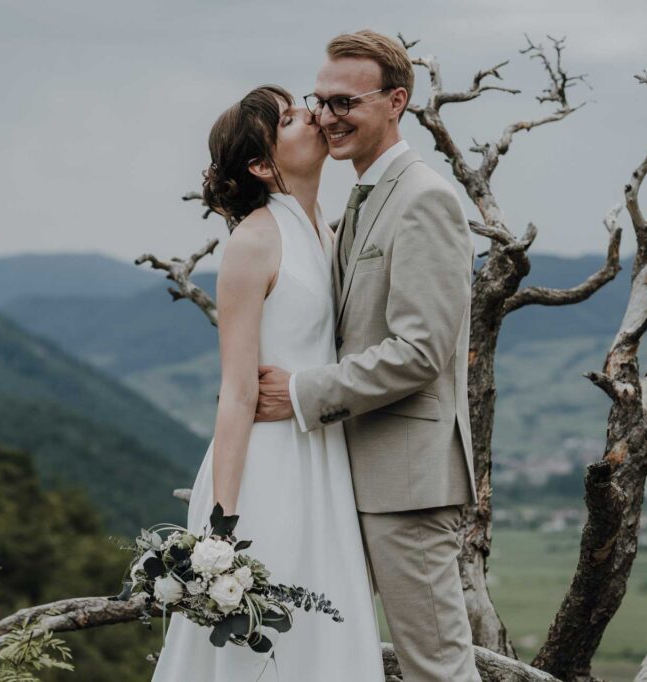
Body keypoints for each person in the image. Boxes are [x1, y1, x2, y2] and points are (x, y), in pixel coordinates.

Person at [255, 30, 482, 682]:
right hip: (344, 476)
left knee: (437, 668)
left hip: (406, 486)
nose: (327, 116)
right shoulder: (358, 198)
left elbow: (421, 351)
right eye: (318, 101)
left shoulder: (424, 198)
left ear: (396, 102)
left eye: (344, 102)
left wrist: (301, 392)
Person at [150, 84, 385, 682]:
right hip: (270, 473)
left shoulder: (326, 232)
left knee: (325, 637)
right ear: (261, 163)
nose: (312, 114)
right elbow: (235, 390)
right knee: (262, 648)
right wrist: (220, 531)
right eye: (289, 117)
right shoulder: (254, 240)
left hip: (324, 460)